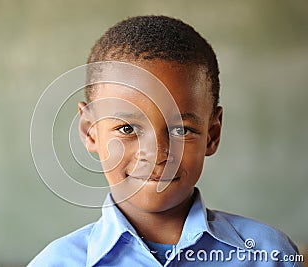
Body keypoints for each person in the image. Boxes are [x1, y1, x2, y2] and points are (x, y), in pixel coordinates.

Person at [28, 15, 302, 266]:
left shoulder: (269, 255)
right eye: (126, 129)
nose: (157, 153)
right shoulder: (57, 262)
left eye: (181, 130)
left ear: (212, 135)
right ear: (90, 131)